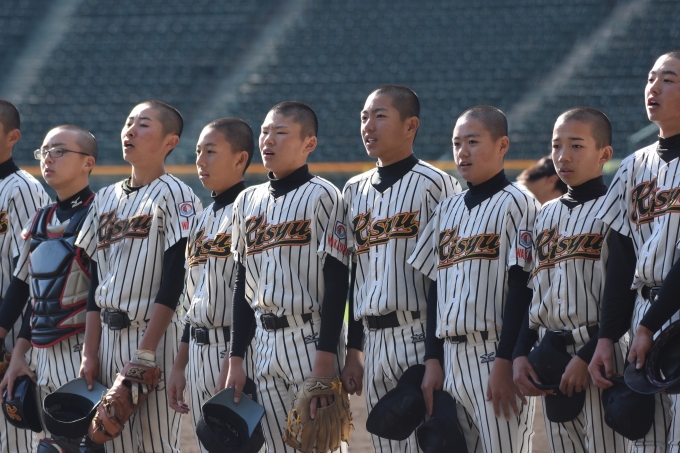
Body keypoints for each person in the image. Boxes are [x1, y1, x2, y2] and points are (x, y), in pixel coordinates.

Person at [409, 105, 538, 453]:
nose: (462, 151)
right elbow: (435, 288)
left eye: (473, 141)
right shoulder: (447, 209)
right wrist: (433, 359)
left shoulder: (519, 203)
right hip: (450, 359)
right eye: (457, 143)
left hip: (492, 353)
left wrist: (505, 360)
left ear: (502, 145)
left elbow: (523, 289)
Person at [340, 85, 461, 452]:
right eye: (364, 117)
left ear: (411, 126)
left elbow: (447, 275)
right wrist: (354, 351)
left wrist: (435, 354)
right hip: (374, 341)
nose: (368, 126)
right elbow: (356, 274)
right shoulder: (353, 190)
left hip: (419, 333)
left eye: (380, 116)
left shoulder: (437, 185)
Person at [224, 101, 349, 452]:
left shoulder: (324, 196)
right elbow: (242, 284)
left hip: (310, 337)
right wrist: (236, 358)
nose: (268, 140)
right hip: (263, 342)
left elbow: (338, 282)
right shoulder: (246, 201)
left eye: (280, 133)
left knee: (321, 445)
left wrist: (325, 359)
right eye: (265, 132)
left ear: (309, 143)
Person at [77, 100, 201, 452]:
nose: (130, 130)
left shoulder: (177, 195)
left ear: (169, 142)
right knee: (111, 442)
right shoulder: (104, 198)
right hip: (107, 339)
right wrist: (89, 352)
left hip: (153, 338)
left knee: (155, 444)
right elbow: (95, 280)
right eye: (129, 122)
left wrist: (145, 353)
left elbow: (175, 280)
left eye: (143, 124)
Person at [512, 107, 629, 452]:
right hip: (550, 355)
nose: (563, 156)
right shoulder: (544, 214)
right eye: (556, 146)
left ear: (604, 154)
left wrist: (587, 354)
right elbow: (534, 292)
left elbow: (625, 295)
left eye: (576, 145)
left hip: (602, 354)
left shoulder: (616, 208)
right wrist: (520, 353)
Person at [588, 51, 680, 452]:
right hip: (642, 315)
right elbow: (622, 259)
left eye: (668, 79)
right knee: (644, 445)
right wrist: (607, 337)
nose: (653, 87)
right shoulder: (633, 166)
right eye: (650, 78)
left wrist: (648, 325)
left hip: (665, 315)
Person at [0, 124, 98, 453]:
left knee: (82, 445)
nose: (48, 159)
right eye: (44, 152)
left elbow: (102, 292)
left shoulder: (100, 213)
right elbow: (28, 291)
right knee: (45, 445)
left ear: (88, 162)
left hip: (82, 347)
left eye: (59, 151)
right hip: (40, 354)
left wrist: (93, 354)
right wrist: (18, 353)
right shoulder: (41, 219)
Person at [166, 118, 254, 453]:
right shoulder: (200, 220)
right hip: (198, 352)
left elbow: (249, 295)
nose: (200, 161)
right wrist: (179, 365)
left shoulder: (253, 210)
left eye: (211, 152)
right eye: (198, 152)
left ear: (240, 159)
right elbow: (191, 300)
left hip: (236, 349)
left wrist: (234, 359)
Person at [0, 99, 50, 453]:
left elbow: (31, 272)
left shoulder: (23, 189)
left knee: (12, 442)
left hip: (11, 334)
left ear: (12, 137)